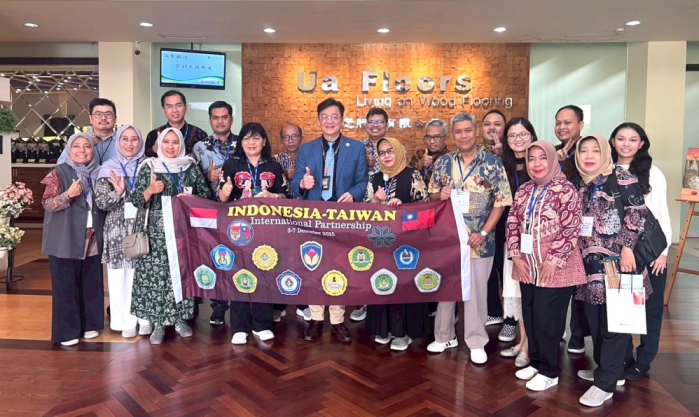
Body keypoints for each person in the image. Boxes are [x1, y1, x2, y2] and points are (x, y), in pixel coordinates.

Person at [427, 113, 512, 364]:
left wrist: (483, 232)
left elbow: (501, 202)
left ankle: (476, 341)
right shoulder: (443, 163)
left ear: (475, 132)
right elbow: (432, 196)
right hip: (449, 239)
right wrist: (440, 195)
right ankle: (444, 336)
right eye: (458, 131)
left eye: (467, 130)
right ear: (452, 135)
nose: (463, 136)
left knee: (476, 292)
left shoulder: (492, 164)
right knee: (446, 288)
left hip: (480, 240)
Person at [573, 134, 650, 407]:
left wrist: (628, 247)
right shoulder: (581, 183)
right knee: (596, 323)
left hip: (618, 264)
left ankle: (605, 383)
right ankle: (610, 370)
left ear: (605, 153)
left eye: (596, 150)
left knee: (616, 324)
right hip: (589, 266)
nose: (589, 156)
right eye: (583, 151)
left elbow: (637, 212)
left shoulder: (621, 177)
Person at [507, 141, 586, 392]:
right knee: (530, 316)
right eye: (531, 159)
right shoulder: (524, 190)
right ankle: (536, 362)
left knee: (547, 320)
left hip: (557, 268)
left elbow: (572, 227)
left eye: (542, 157)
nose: (537, 164)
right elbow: (512, 221)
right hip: (527, 266)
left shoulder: (566, 189)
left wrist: (553, 260)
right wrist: (515, 254)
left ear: (552, 160)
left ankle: (550, 371)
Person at [290, 98, 368, 343]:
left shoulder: (356, 148)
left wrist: (353, 194)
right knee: (313, 266)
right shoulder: (307, 149)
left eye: (334, 116)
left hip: (342, 217)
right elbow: (294, 184)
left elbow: (362, 181)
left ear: (342, 120)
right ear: (318, 121)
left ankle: (337, 319)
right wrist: (302, 184)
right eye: (325, 117)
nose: (329, 121)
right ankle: (316, 318)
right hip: (314, 217)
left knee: (340, 266)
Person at [131, 128, 211, 344]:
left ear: (181, 145)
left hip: (184, 231)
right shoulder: (150, 167)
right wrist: (149, 191)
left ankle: (180, 319)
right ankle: (158, 323)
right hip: (156, 233)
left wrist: (192, 197)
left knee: (182, 273)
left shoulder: (190, 167)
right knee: (159, 278)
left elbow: (206, 196)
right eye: (166, 142)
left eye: (175, 142)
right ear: (159, 144)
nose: (170, 146)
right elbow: (136, 200)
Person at [217, 122, 291, 344]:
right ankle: (239, 326)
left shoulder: (274, 166)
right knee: (238, 272)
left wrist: (273, 197)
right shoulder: (232, 164)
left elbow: (287, 197)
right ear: (241, 142)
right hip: (237, 229)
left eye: (256, 138)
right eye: (247, 138)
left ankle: (261, 324)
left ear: (264, 141)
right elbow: (219, 199)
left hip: (266, 229)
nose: (251, 142)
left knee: (264, 271)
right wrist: (224, 193)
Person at [609, 123, 672, 381]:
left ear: (641, 143)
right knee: (623, 305)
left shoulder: (652, 173)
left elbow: (662, 213)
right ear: (613, 141)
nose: (626, 144)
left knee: (651, 309)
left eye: (632, 139)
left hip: (649, 250)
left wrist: (663, 252)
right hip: (618, 250)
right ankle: (624, 356)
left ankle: (644, 360)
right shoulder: (607, 170)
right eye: (621, 138)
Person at [363, 137, 430, 350]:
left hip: (407, 246)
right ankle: (384, 329)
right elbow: (363, 214)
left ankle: (404, 333)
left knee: (403, 286)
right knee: (382, 282)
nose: (387, 156)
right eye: (382, 153)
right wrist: (376, 201)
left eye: (390, 151)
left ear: (399, 151)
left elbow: (426, 209)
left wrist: (404, 207)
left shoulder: (412, 175)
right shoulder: (374, 178)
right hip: (381, 243)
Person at [41, 132, 105, 346]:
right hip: (65, 236)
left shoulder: (98, 172)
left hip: (92, 235)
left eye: (86, 146)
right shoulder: (58, 172)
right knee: (65, 284)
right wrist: (68, 195)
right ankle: (67, 331)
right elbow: (48, 204)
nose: (82, 151)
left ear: (92, 150)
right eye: (76, 146)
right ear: (69, 150)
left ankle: (90, 324)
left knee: (91, 281)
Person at [94, 125, 152, 338]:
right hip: (117, 230)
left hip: (143, 227)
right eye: (124, 139)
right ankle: (124, 321)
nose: (129, 143)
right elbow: (101, 202)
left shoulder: (149, 166)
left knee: (143, 275)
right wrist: (117, 193)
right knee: (119, 278)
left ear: (140, 142)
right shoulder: (108, 168)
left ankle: (145, 319)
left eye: (134, 139)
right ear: (118, 142)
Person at [191, 100, 238, 326]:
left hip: (239, 210)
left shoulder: (243, 142)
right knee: (217, 258)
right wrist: (205, 176)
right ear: (210, 120)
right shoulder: (199, 147)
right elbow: (191, 179)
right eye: (216, 117)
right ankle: (218, 307)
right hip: (211, 211)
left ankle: (241, 304)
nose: (220, 121)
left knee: (240, 258)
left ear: (231, 119)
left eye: (224, 117)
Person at [498, 117, 536, 366]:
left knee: (532, 294)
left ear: (532, 136)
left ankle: (529, 346)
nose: (518, 139)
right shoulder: (504, 166)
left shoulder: (540, 162)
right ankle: (523, 341)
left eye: (523, 134)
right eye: (512, 135)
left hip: (537, 241)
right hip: (512, 238)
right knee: (517, 292)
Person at [554, 104, 590, 354]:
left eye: (567, 122)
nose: (562, 127)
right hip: (559, 228)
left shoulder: (587, 151)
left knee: (580, 282)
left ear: (580, 125)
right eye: (558, 122)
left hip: (585, 228)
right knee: (561, 282)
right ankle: (558, 329)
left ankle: (578, 334)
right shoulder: (555, 153)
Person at [271, 123, 312, 323]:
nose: (290, 140)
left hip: (306, 216)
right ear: (281, 140)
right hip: (281, 218)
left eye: (294, 136)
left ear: (301, 138)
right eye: (286, 137)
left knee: (304, 259)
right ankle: (280, 304)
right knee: (281, 259)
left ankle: (303, 303)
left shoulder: (310, 157)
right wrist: (285, 178)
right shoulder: (274, 160)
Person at [479, 110, 511, 336]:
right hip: (484, 219)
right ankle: (493, 310)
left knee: (507, 268)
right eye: (487, 124)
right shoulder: (477, 153)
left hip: (509, 219)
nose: (492, 128)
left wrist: (503, 157)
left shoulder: (514, 151)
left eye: (497, 124)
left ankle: (512, 317)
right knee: (488, 267)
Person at [145, 90, 208, 157]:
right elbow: (147, 159)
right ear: (163, 111)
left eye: (178, 105)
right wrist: (155, 148)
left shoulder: (200, 135)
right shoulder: (153, 135)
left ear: (186, 108)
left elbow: (205, 160)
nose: (174, 110)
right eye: (169, 106)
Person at [58, 98, 119, 165]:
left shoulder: (123, 142)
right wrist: (85, 144)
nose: (103, 118)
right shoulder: (77, 140)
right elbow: (60, 166)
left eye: (108, 114)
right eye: (98, 114)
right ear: (90, 119)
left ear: (115, 119)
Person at [409, 119, 450, 185]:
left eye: (436, 137)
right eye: (428, 137)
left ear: (446, 138)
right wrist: (420, 165)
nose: (431, 141)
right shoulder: (419, 155)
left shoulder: (450, 159)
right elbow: (407, 179)